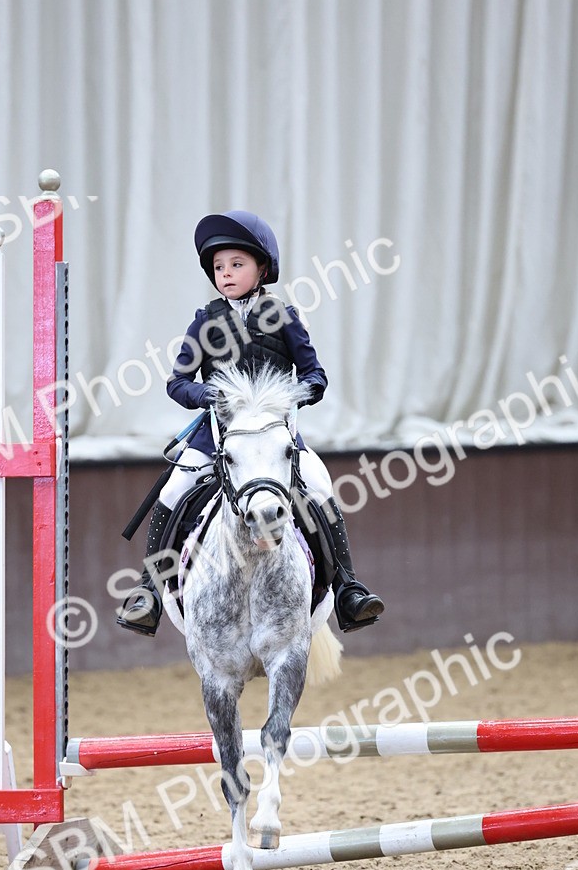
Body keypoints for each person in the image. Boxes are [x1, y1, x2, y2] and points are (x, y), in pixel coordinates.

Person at [116, 210, 384, 637]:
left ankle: (347, 589)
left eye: (236, 264)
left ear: (262, 269)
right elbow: (177, 382)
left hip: (276, 436)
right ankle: (148, 592)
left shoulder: (285, 317)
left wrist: (302, 393)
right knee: (172, 491)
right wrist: (206, 395)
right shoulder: (204, 321)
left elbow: (315, 374)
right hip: (219, 435)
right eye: (219, 267)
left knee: (320, 486)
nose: (225, 274)